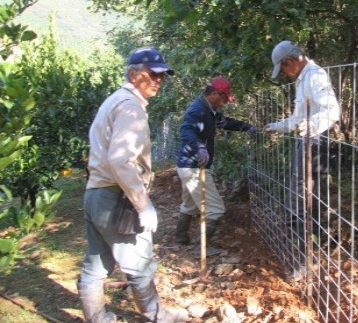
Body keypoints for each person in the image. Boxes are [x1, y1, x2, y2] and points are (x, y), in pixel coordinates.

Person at [78, 47, 188, 323]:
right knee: (139, 261)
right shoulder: (130, 107)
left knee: (96, 262)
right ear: (133, 74)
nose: (158, 81)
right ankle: (156, 315)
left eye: (161, 76)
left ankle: (97, 318)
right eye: (152, 74)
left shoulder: (113, 101)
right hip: (116, 198)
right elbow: (121, 160)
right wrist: (143, 204)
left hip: (96, 193)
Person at [264, 40, 340, 282]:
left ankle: (305, 258)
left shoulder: (315, 76)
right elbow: (298, 119)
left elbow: (332, 111)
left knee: (299, 197)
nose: (285, 73)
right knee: (310, 195)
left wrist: (312, 127)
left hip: (315, 142)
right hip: (308, 139)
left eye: (284, 68)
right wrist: (276, 126)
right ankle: (316, 247)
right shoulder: (302, 79)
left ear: (292, 61)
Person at [175, 76, 256, 255]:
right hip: (194, 167)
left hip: (187, 166)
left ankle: (180, 237)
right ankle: (200, 249)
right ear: (214, 94)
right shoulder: (198, 110)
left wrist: (246, 127)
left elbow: (225, 122)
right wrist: (200, 146)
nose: (224, 103)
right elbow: (186, 130)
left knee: (189, 204)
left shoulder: (209, 109)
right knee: (216, 209)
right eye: (224, 99)